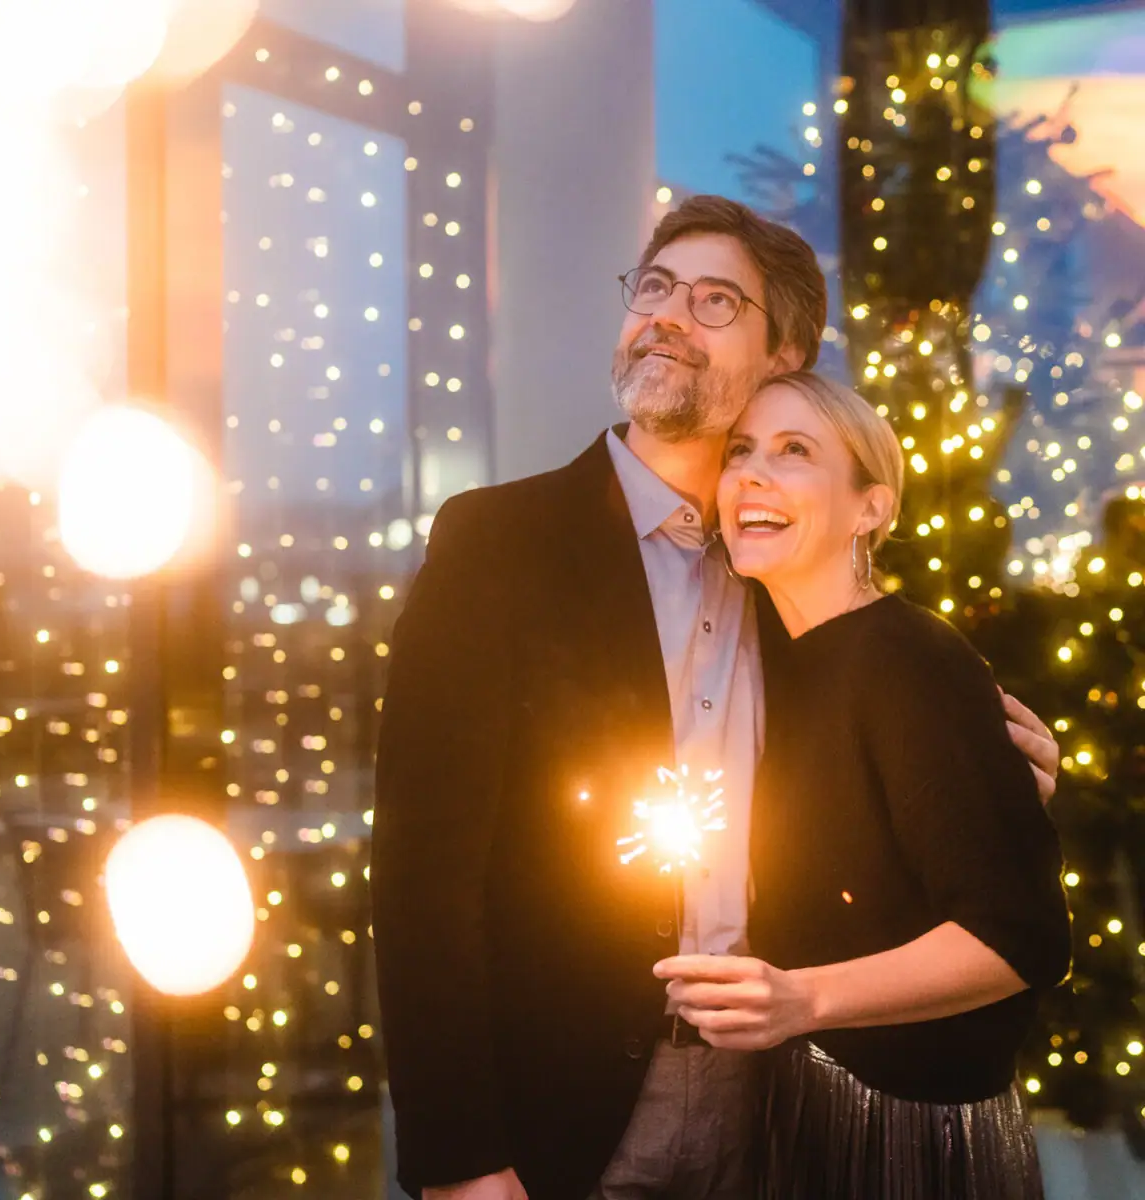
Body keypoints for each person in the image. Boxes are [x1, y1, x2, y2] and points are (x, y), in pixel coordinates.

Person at [371, 195, 1061, 1200]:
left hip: (782, 1097)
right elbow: (421, 874)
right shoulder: (496, 543)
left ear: (785, 354)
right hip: (563, 1107)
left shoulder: (792, 576)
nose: (666, 315)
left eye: (713, 301)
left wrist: (992, 787)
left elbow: (882, 789)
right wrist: (460, 1159)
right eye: (654, 288)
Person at [658, 372, 1071, 1199]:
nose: (752, 475)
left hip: (911, 1136)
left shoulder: (910, 660)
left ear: (870, 508)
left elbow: (1022, 937)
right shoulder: (779, 660)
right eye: (741, 451)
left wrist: (801, 999)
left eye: (794, 451)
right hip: (810, 1108)